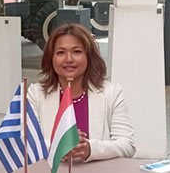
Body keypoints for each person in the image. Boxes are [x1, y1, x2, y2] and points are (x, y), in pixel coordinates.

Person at [27, 24, 135, 162]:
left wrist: (90, 149)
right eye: (61, 52)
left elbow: (127, 145)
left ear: (89, 56)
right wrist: (59, 146)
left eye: (77, 51)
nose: (69, 59)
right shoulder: (36, 94)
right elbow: (26, 144)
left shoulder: (112, 93)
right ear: (51, 58)